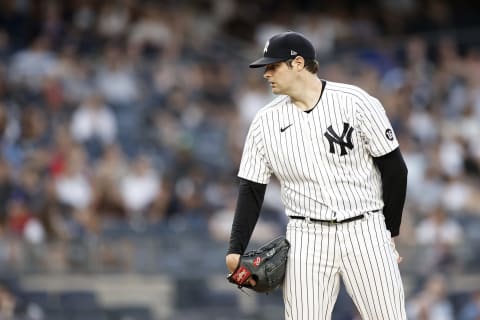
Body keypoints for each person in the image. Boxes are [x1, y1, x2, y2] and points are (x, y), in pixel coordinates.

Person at [226, 31, 408, 319]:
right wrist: (235, 248)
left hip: (365, 228)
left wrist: (388, 232)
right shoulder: (265, 121)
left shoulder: (355, 102)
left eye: (273, 66)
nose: (266, 74)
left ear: (298, 63)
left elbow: (395, 169)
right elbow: (251, 187)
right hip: (306, 236)